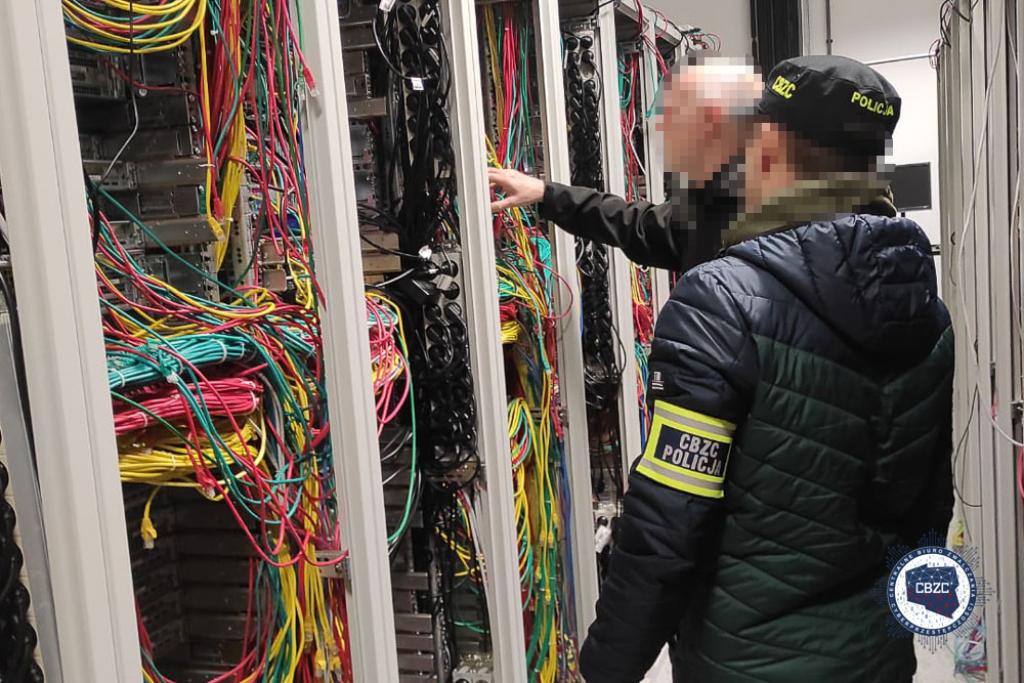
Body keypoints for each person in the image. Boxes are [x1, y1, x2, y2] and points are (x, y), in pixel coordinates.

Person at [491, 55, 953, 683]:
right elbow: (929, 503)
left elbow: (667, 523)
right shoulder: (926, 308)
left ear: (770, 147)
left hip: (747, 659)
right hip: (876, 653)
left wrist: (605, 667)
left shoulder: (722, 300)